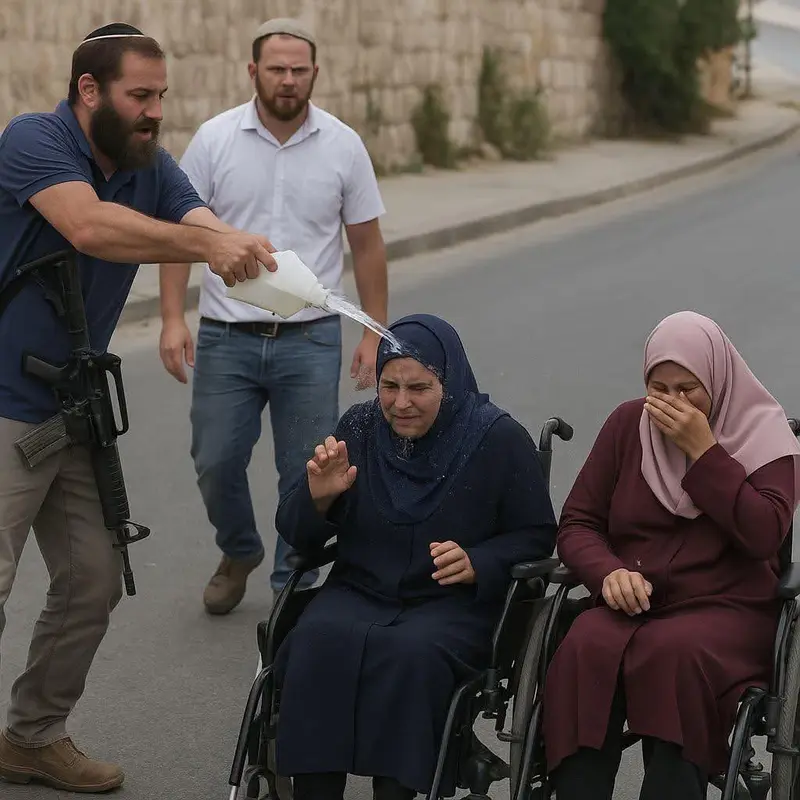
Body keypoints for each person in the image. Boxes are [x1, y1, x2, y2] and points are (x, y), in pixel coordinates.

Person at [0, 22, 277, 793]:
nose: (156, 111)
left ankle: (32, 735)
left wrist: (239, 246)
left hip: (73, 405)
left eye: (162, 96)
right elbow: (88, 226)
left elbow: (196, 220)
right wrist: (206, 249)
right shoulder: (34, 140)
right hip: (3, 400)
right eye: (140, 95)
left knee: (91, 578)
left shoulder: (147, 162)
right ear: (89, 91)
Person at [271, 313, 558, 800]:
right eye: (389, 386)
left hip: (447, 607)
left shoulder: (496, 439)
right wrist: (318, 496)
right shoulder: (359, 429)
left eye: (419, 388)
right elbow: (297, 533)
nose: (400, 403)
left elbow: (536, 535)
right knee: (315, 641)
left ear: (449, 381)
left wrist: (479, 561)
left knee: (411, 657)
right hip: (359, 591)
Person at [158, 17, 389, 615]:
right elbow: (180, 233)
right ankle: (238, 549)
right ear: (253, 71)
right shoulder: (213, 140)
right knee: (215, 461)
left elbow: (366, 243)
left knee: (304, 469)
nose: (288, 80)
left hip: (310, 339)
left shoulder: (343, 144)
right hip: (226, 337)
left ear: (315, 73)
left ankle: (293, 583)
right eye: (277, 69)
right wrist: (171, 319)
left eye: (299, 70)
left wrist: (372, 332)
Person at [542, 310, 800, 800]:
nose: (673, 403)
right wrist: (607, 572)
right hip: (632, 601)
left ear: (718, 382)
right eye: (659, 388)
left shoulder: (766, 442)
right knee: (584, 645)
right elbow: (578, 523)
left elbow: (764, 534)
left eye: (688, 389)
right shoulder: (626, 426)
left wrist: (706, 454)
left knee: (673, 655)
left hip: (725, 608)